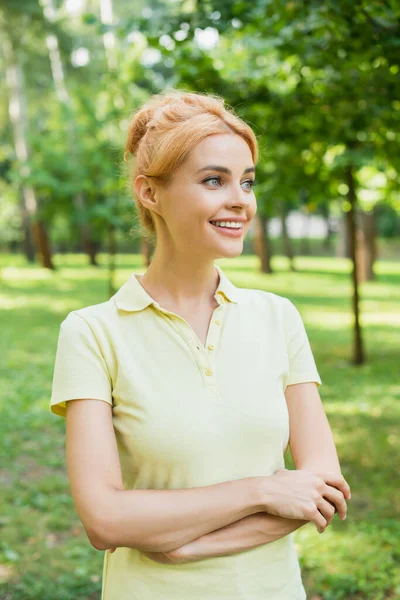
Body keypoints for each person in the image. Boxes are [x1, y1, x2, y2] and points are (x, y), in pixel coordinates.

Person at [49, 89, 351, 600]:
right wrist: (263, 490)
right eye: (214, 180)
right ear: (150, 193)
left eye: (248, 182)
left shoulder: (278, 318)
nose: (240, 199)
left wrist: (189, 546)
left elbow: (322, 492)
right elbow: (105, 519)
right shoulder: (91, 332)